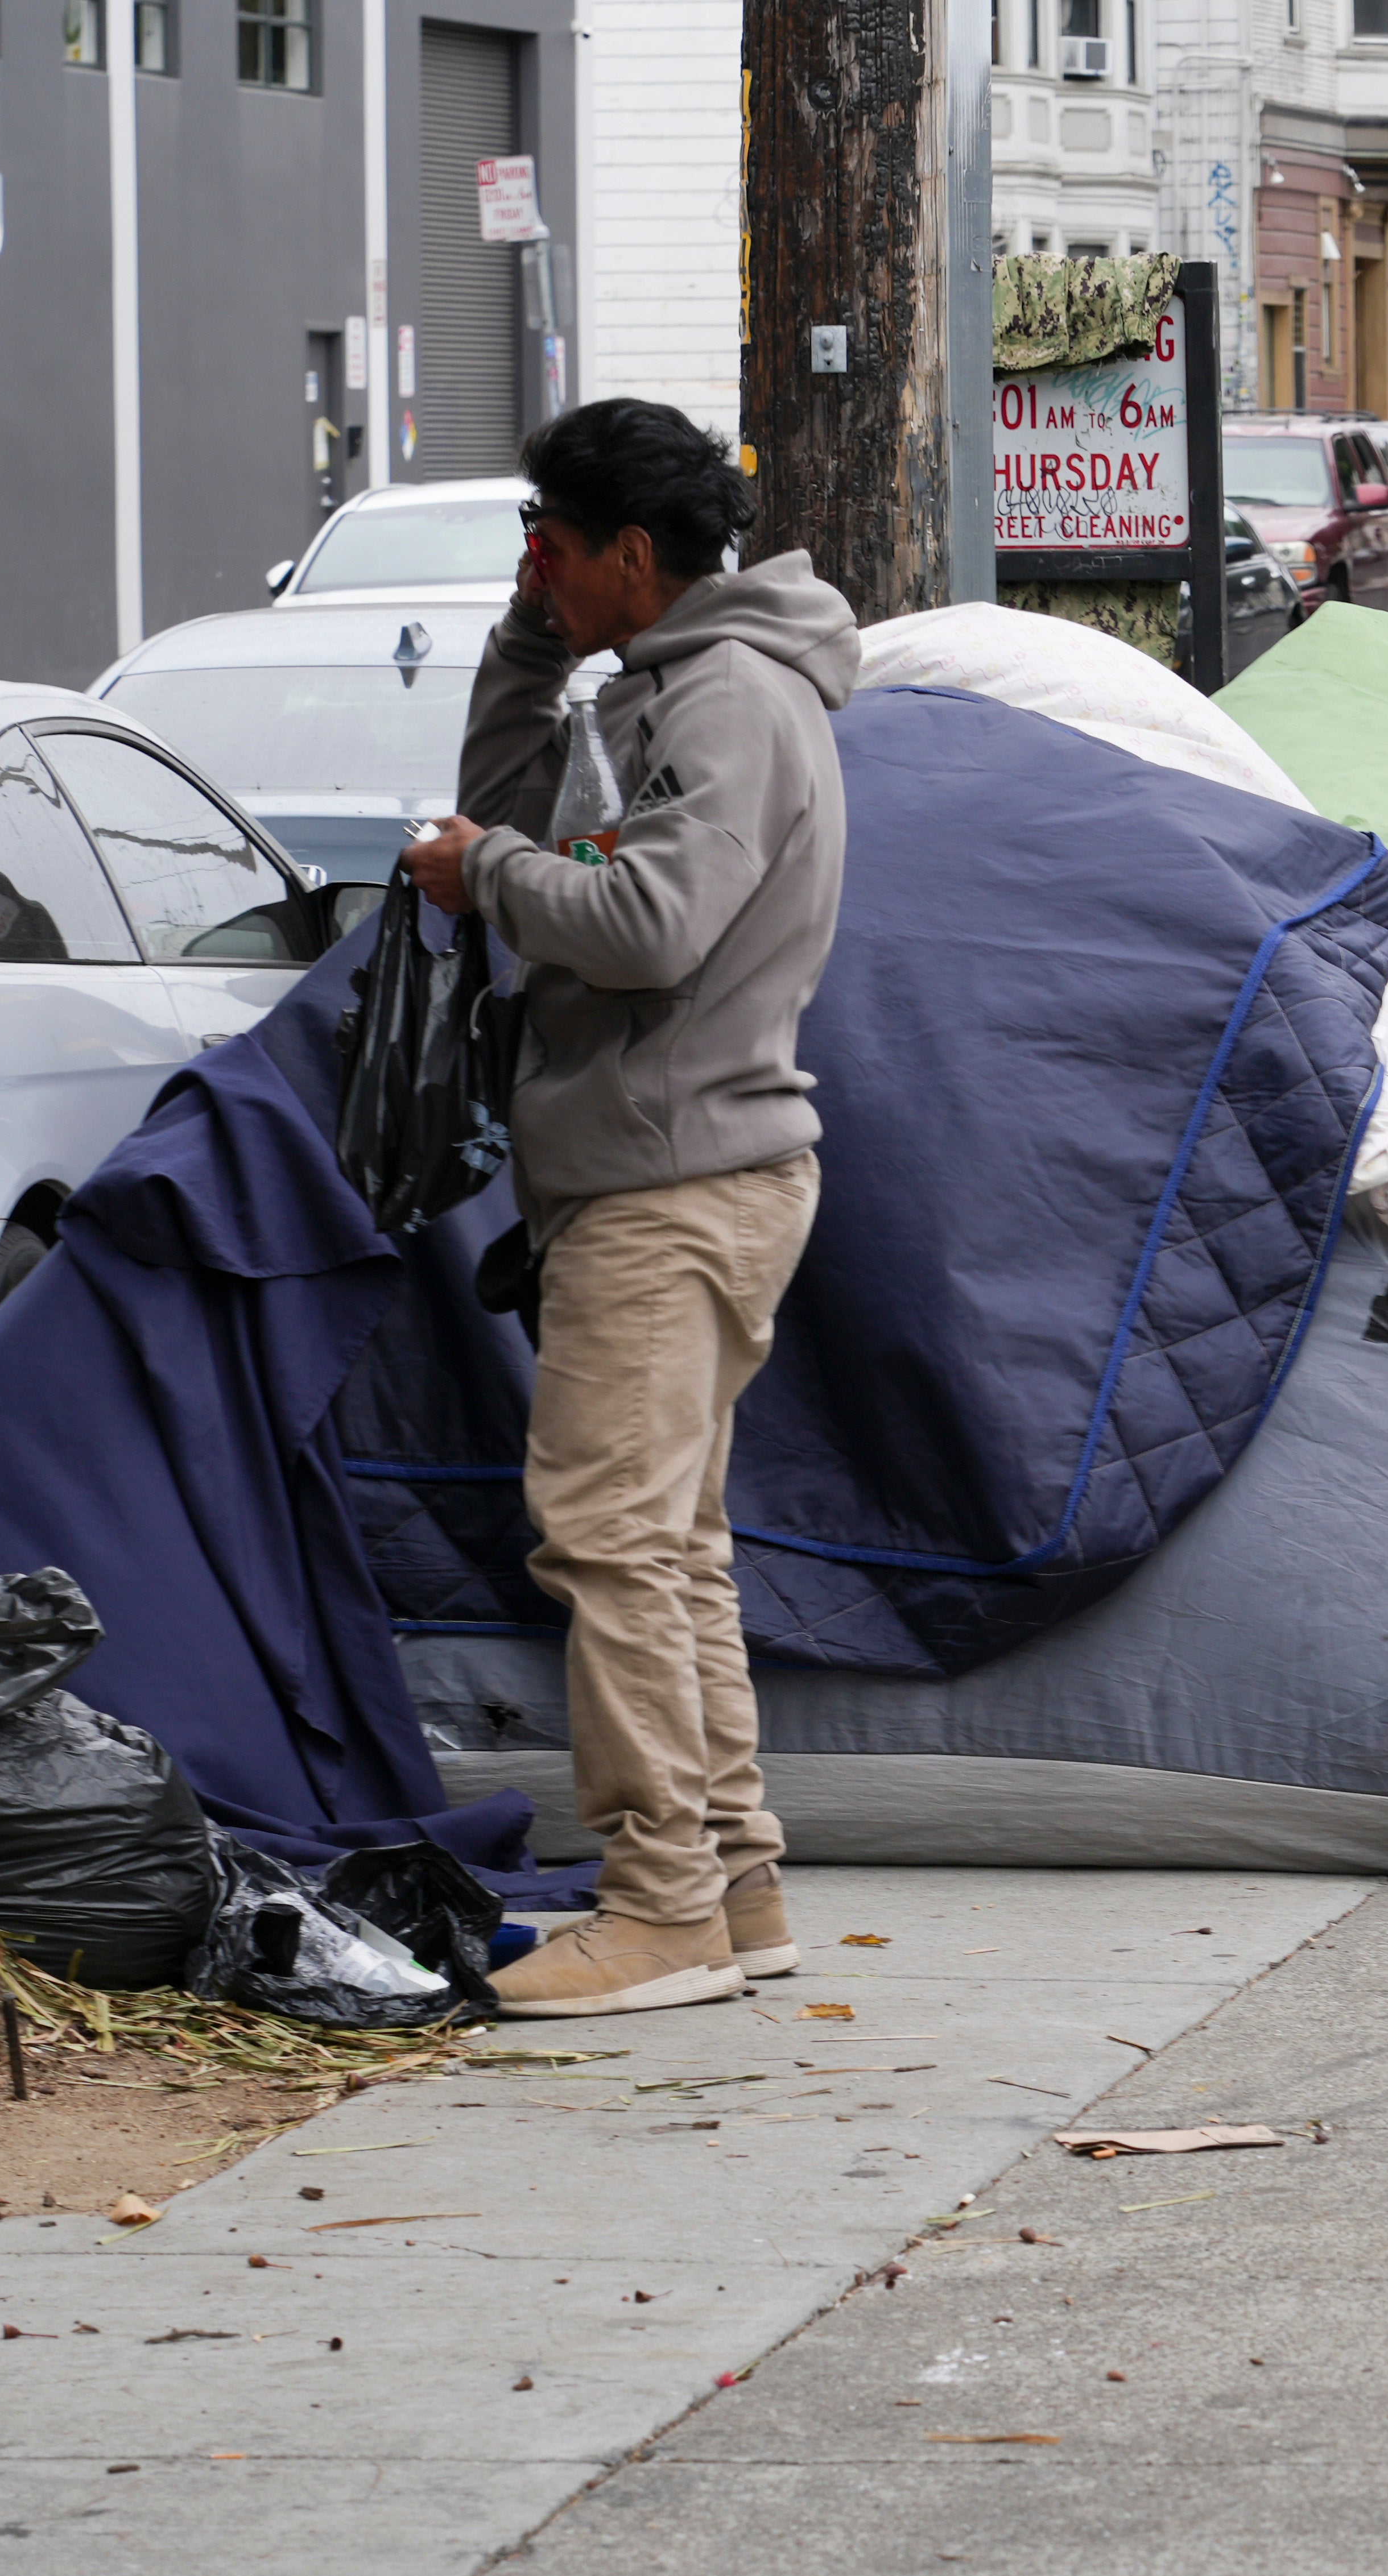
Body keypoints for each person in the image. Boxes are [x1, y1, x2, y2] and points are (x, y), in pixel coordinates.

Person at [395, 399, 860, 2019]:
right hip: (661, 1172)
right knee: (672, 1552)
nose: (535, 563)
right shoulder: (664, 685)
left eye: (556, 544)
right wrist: (528, 653)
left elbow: (651, 920)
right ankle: (733, 1887)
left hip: (678, 1182)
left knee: (605, 1542)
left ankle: (658, 1906)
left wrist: (493, 882)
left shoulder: (726, 699)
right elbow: (520, 814)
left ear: (635, 558)